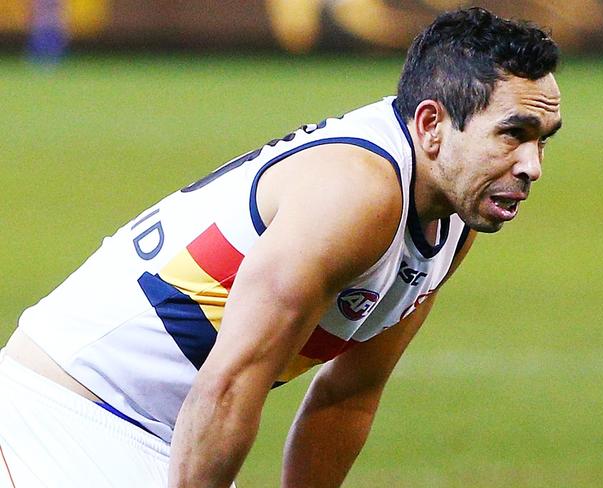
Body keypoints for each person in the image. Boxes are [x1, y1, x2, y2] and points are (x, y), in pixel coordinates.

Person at [0, 7, 562, 488]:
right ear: (432, 124)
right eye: (512, 135)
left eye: (543, 141)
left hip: (154, 427)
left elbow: (349, 395)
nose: (531, 166)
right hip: (71, 407)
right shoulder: (354, 195)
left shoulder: (454, 212)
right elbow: (229, 381)